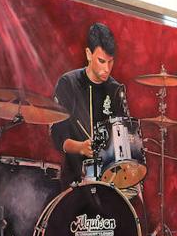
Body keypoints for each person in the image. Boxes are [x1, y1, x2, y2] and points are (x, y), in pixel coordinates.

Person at [50, 22, 131, 187]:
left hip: (111, 181)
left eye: (110, 62)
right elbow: (58, 136)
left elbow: (124, 137)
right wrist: (80, 147)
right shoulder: (68, 83)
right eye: (101, 61)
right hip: (75, 179)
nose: (107, 69)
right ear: (88, 54)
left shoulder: (115, 89)